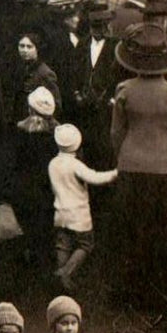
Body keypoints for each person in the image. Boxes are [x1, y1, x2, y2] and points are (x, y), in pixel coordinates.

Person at [108, 24, 167, 304]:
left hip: (131, 165)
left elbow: (116, 134)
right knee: (163, 233)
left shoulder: (124, 90)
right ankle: (159, 294)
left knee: (131, 231)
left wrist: (123, 158)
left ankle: (129, 292)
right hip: (166, 169)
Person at [49, 123, 116, 291]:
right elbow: (94, 178)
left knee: (63, 245)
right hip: (78, 215)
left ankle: (63, 281)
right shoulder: (75, 165)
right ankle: (66, 271)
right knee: (86, 244)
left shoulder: (53, 164)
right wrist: (115, 173)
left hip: (60, 213)